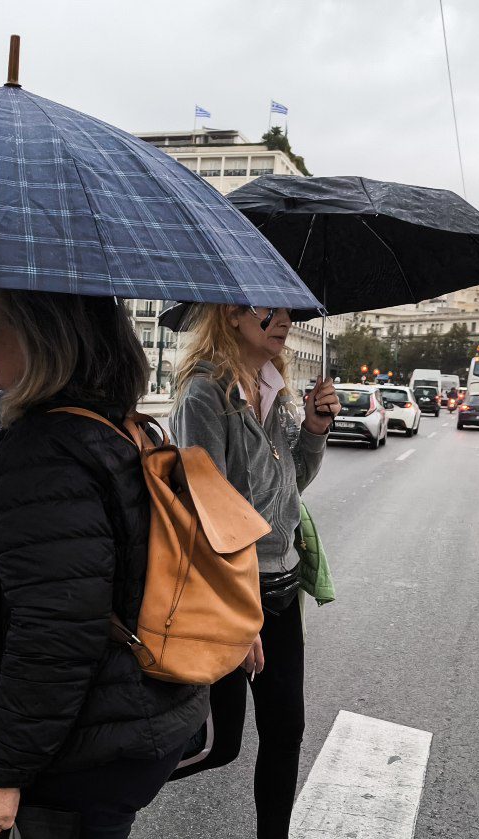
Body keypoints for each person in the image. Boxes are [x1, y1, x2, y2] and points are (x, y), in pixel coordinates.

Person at [0, 290, 207, 837]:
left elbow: (55, 632)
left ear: (40, 337)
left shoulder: (47, 449)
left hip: (81, 744)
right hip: (137, 717)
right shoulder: (123, 426)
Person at [168, 304, 339, 839]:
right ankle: (89, 805)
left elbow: (288, 491)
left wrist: (312, 430)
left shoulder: (273, 389)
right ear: (234, 313)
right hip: (235, 594)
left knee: (286, 732)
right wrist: (240, 620)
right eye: (271, 306)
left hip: (283, 593)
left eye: (289, 307)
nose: (285, 317)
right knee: (219, 745)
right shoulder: (206, 395)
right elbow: (206, 512)